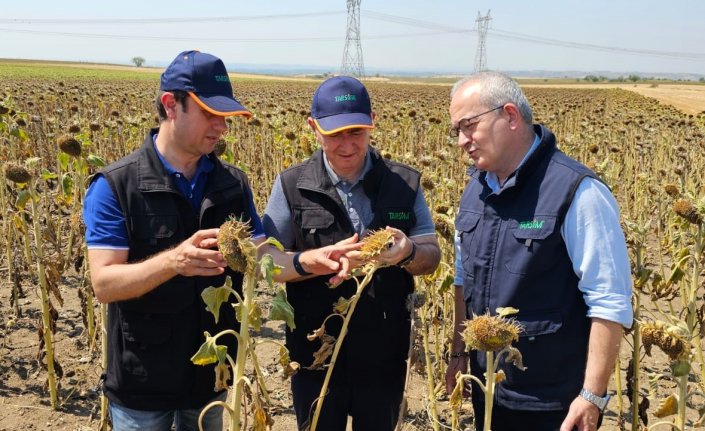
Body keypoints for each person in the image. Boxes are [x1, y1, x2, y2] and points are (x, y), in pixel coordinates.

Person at [83, 50, 359, 431]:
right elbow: (104, 284)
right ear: (171, 105)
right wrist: (173, 261)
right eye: (210, 114)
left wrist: (309, 260)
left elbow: (261, 256)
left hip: (212, 378)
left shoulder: (231, 183)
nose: (221, 127)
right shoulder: (116, 185)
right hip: (142, 380)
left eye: (225, 117)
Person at [444, 71, 633, 431]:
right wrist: (458, 352)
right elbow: (461, 278)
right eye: (456, 130)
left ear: (510, 116)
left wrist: (592, 395)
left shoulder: (577, 191)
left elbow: (609, 301)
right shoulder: (475, 190)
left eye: (468, 126)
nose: (461, 141)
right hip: (490, 392)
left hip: (553, 402)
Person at [263, 76, 441, 430]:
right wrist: (305, 262)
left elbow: (431, 255)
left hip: (384, 358)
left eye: (356, 132)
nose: (347, 145)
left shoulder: (403, 183)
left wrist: (407, 253)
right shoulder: (291, 184)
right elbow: (267, 262)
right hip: (315, 357)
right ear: (313, 127)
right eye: (334, 134)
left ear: (372, 122)